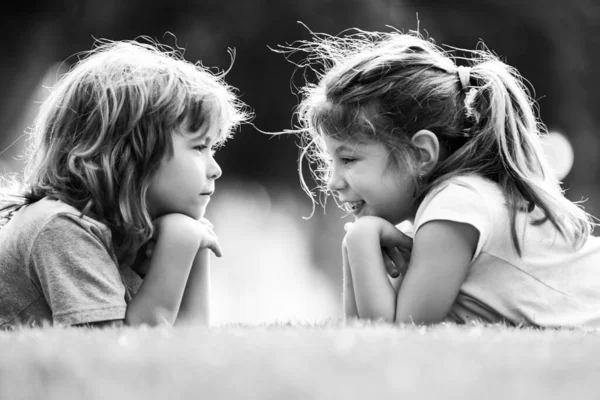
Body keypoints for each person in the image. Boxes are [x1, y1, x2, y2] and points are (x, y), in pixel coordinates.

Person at [285, 29, 600, 328]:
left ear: (422, 155)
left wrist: (360, 238)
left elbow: (395, 337)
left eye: (349, 159)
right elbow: (360, 334)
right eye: (330, 160)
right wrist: (355, 245)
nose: (332, 181)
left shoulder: (456, 204)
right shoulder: (434, 215)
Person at [0, 38, 250, 329]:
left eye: (213, 149)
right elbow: (117, 354)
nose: (216, 169)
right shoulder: (60, 228)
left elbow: (190, 348)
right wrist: (179, 246)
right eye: (198, 147)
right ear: (129, 152)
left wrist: (193, 251)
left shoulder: (130, 236)